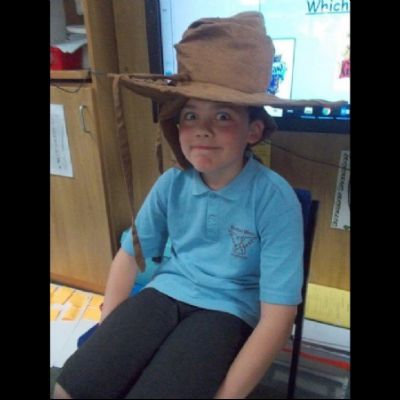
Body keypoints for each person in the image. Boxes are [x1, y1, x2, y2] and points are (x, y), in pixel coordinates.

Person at [54, 12, 338, 399]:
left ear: (253, 130)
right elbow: (130, 255)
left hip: (227, 310)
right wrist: (109, 342)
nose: (202, 129)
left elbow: (278, 315)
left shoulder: (275, 199)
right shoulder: (172, 183)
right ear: (178, 125)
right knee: (73, 385)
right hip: (164, 293)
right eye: (191, 115)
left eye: (222, 115)